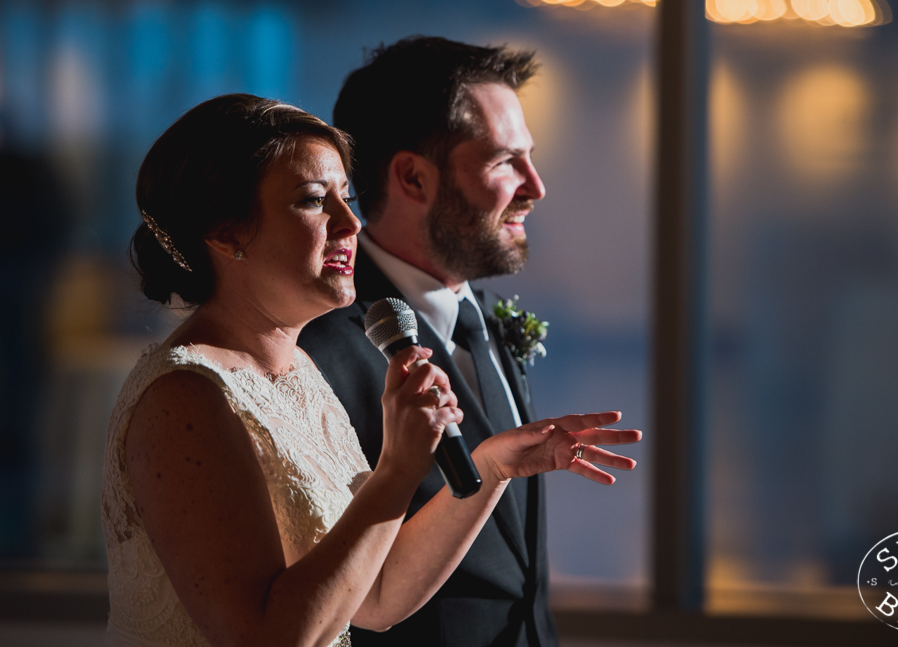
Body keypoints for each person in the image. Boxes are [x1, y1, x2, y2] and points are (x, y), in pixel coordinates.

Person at [101, 93, 640, 647]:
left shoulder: (299, 372)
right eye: (314, 200)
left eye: (347, 197)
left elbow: (376, 599)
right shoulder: (186, 398)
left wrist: (491, 467)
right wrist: (397, 472)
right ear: (226, 231)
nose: (350, 222)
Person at [297, 37, 575, 647]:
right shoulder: (316, 349)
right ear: (413, 177)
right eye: (505, 162)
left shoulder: (488, 317)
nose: (535, 186)